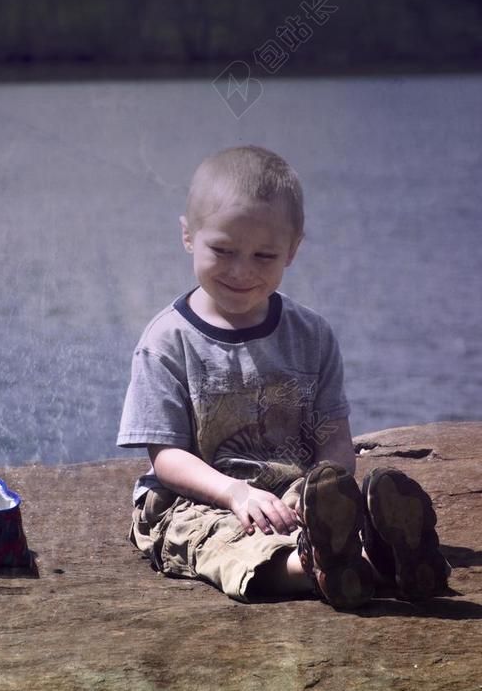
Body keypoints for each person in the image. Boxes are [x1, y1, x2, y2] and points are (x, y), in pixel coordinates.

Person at [116, 145, 451, 609]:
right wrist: (234, 493)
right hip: (199, 498)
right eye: (223, 250)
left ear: (292, 250)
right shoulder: (167, 341)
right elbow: (167, 456)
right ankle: (328, 567)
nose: (241, 271)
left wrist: (316, 484)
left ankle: (370, 553)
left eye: (264, 255)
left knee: (334, 508)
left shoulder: (311, 335)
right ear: (188, 235)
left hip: (295, 496)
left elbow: (334, 436)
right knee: (221, 543)